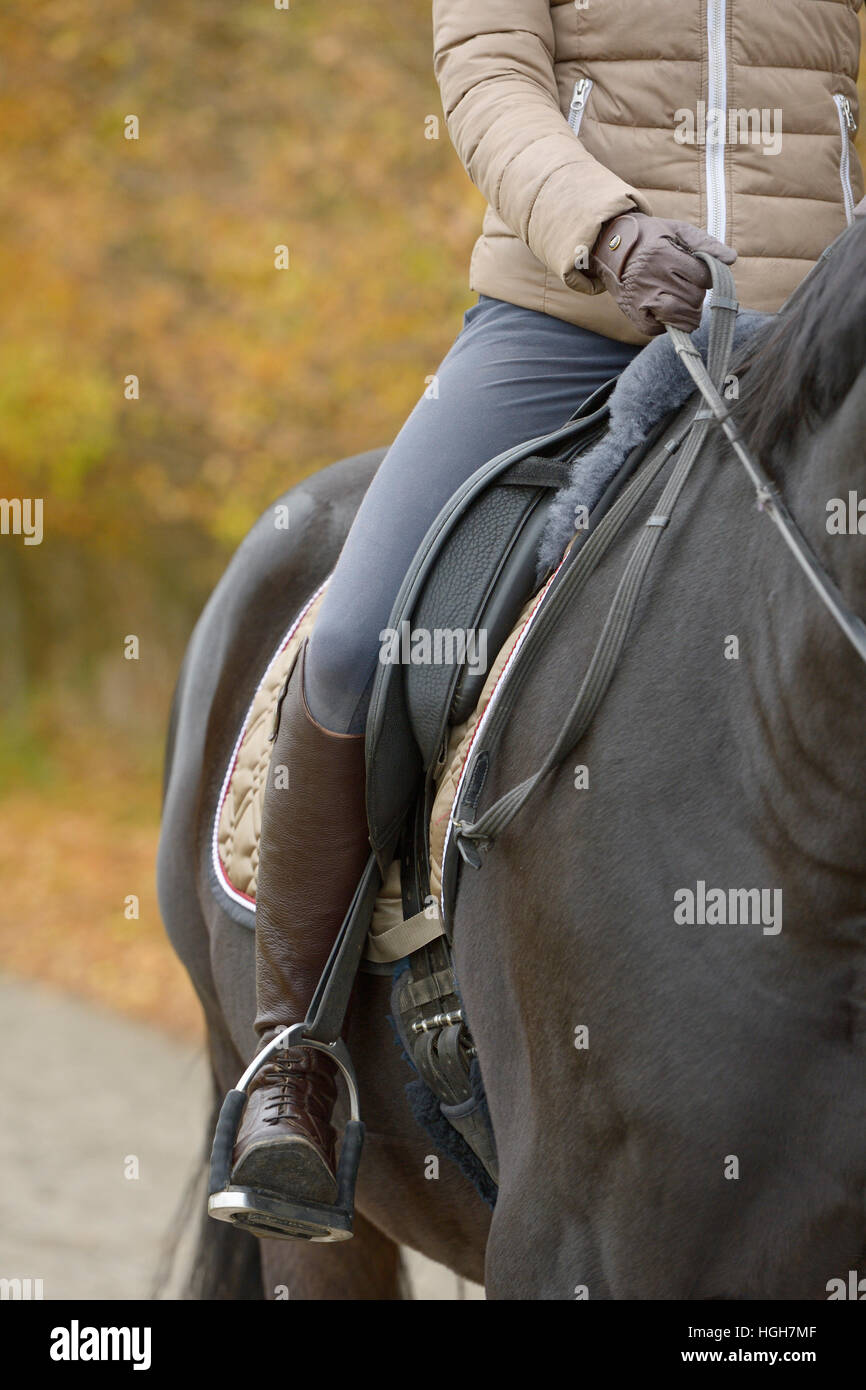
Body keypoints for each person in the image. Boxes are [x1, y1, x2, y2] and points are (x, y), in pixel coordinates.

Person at [229, 0, 864, 1225]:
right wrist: (607, 229)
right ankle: (290, 1058)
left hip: (818, 331)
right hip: (572, 312)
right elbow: (484, 71)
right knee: (362, 637)